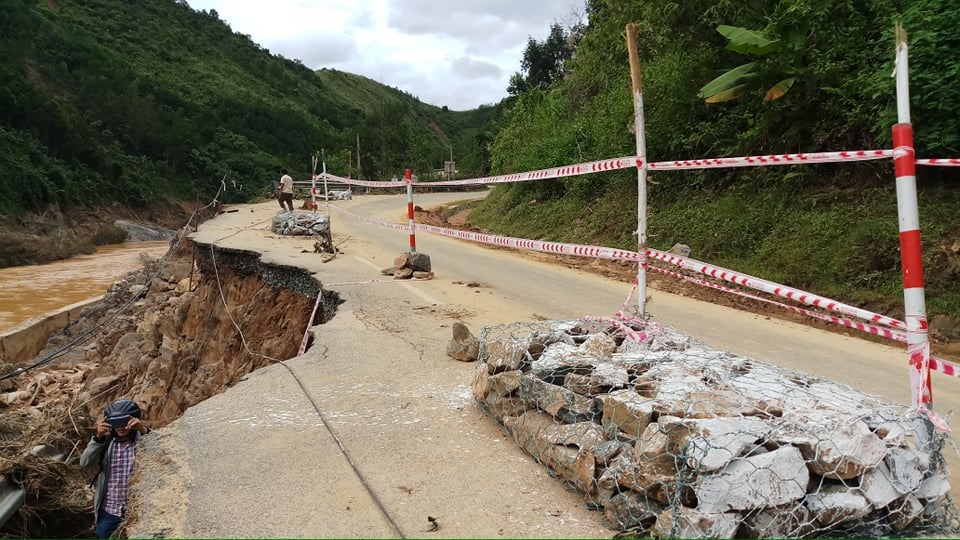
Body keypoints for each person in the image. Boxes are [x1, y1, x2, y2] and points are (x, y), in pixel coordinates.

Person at [80, 399, 151, 539]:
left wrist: (143, 430)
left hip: (139, 510)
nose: (121, 427)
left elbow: (162, 456)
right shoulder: (106, 443)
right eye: (115, 422)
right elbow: (85, 462)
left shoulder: (144, 440)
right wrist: (99, 437)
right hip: (110, 510)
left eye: (124, 421)